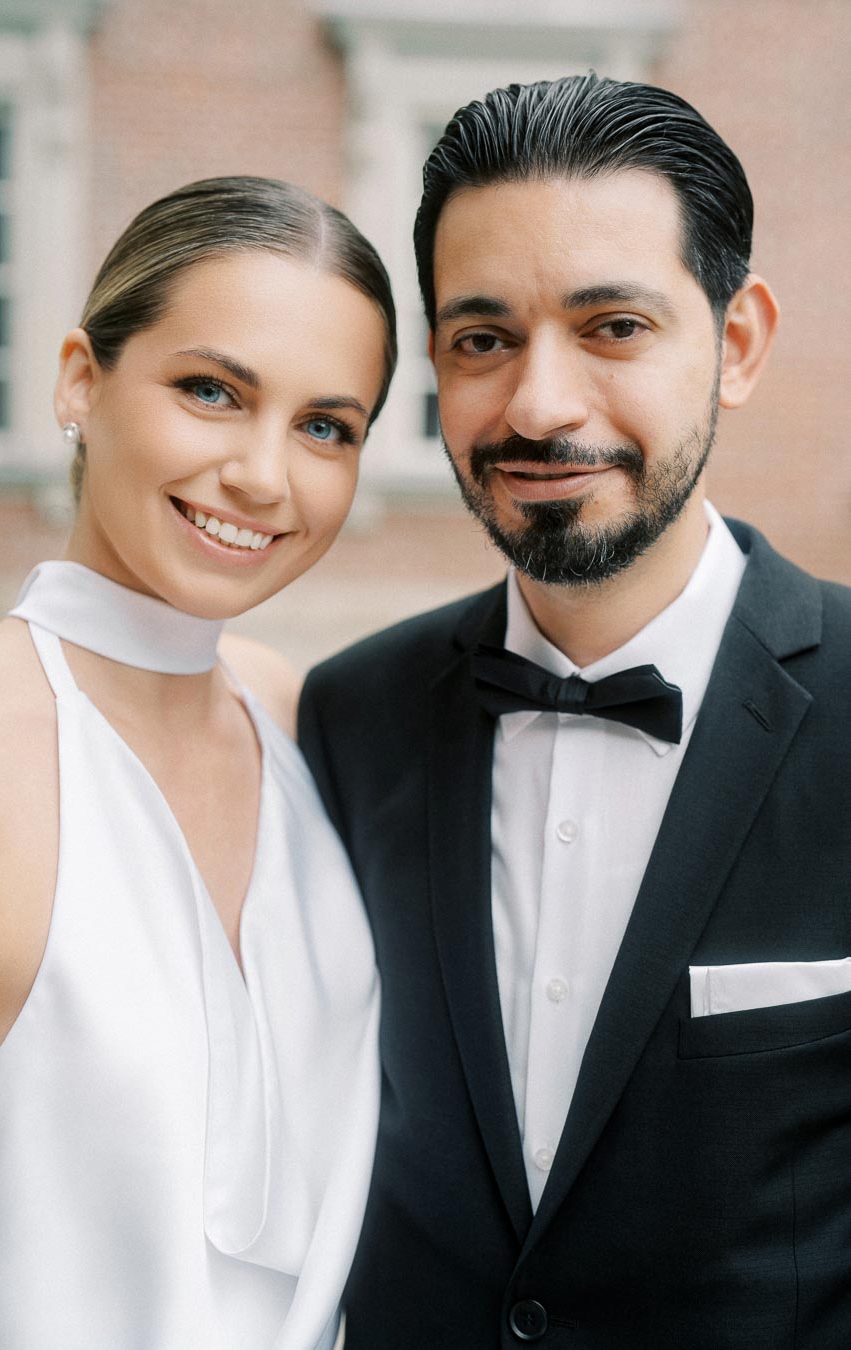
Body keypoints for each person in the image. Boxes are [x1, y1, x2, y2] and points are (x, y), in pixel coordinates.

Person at [298, 74, 851, 1347]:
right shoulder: (346, 717)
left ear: (740, 341)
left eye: (612, 326)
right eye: (483, 339)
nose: (539, 408)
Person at [0, 175, 396, 1350]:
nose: (263, 474)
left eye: (324, 427)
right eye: (212, 390)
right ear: (79, 381)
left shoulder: (307, 721)